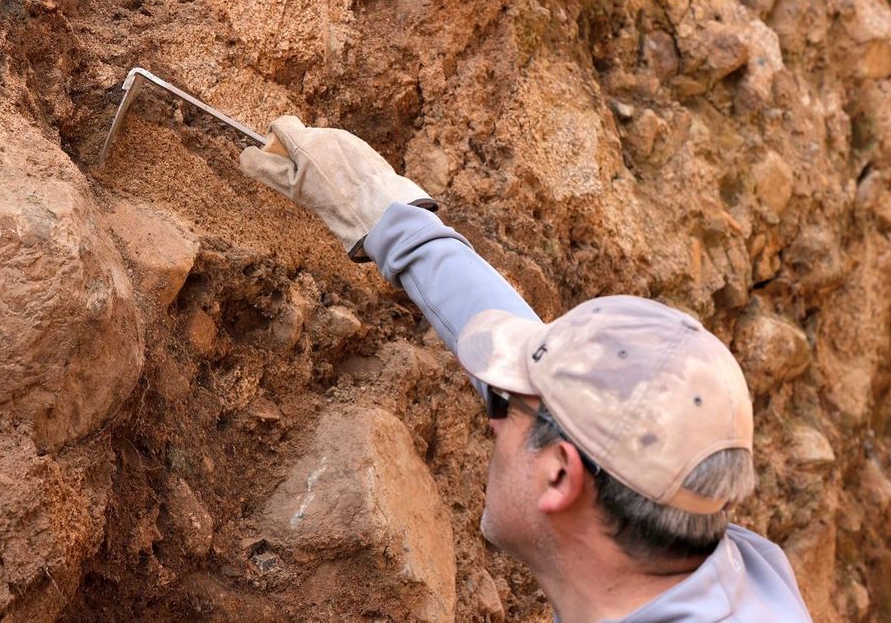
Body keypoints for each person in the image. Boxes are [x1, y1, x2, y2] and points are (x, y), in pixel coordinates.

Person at [239, 117, 812, 622]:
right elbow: (579, 402)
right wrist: (391, 218)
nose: (490, 414)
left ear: (561, 476)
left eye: (505, 405)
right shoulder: (737, 571)